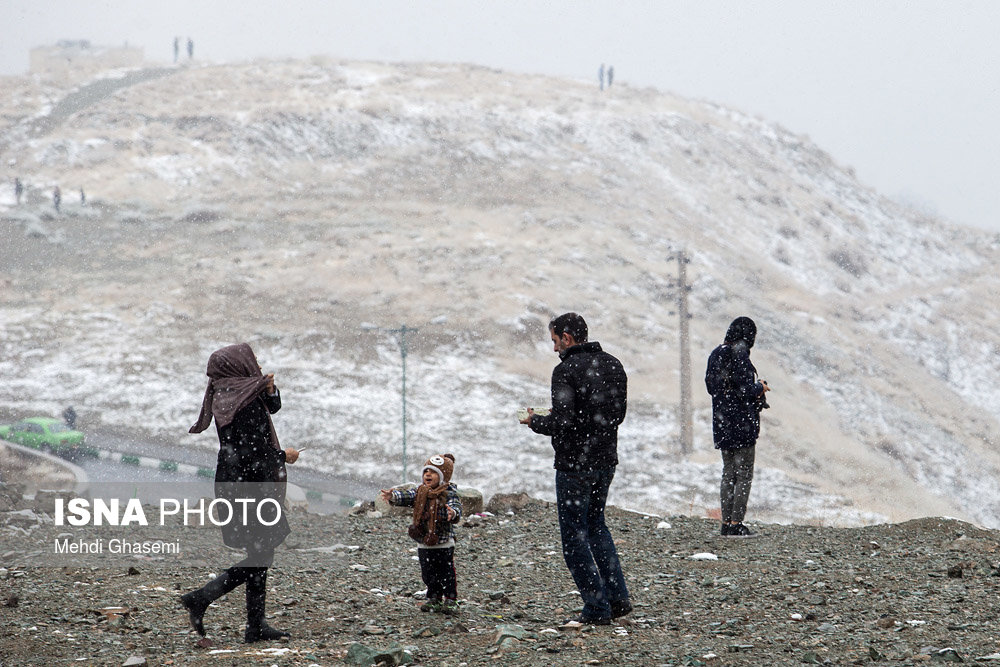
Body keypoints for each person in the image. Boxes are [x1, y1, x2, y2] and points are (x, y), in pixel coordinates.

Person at [181, 343, 300, 642]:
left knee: (259, 550)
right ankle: (202, 597)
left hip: (237, 481)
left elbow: (271, 408)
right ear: (238, 365)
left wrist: (270, 390)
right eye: (252, 359)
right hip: (249, 483)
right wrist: (283, 456)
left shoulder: (232, 392)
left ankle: (255, 624)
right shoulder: (241, 400)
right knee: (262, 552)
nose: (257, 363)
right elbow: (251, 451)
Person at [519, 312, 631, 624]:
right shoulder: (613, 364)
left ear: (567, 338)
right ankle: (618, 599)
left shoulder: (565, 370)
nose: (554, 348)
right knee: (597, 527)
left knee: (573, 538)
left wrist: (535, 420)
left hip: (574, 465)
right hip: (606, 460)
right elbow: (616, 415)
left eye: (555, 341)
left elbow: (563, 422)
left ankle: (596, 609)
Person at [705, 316, 770, 537]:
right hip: (741, 424)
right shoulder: (740, 354)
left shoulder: (716, 354)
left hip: (722, 424)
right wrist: (758, 387)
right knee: (743, 475)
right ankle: (736, 523)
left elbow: (712, 387)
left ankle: (726, 523)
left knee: (728, 473)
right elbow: (743, 391)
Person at [380, 454, 463, 614]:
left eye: (433, 472)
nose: (428, 475)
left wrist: (452, 513)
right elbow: (408, 496)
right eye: (426, 472)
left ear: (442, 477)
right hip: (424, 541)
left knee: (446, 572)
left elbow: (456, 507)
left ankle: (451, 600)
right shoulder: (420, 492)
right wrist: (393, 496)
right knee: (428, 572)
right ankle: (434, 598)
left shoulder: (448, 493)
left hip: (444, 542)